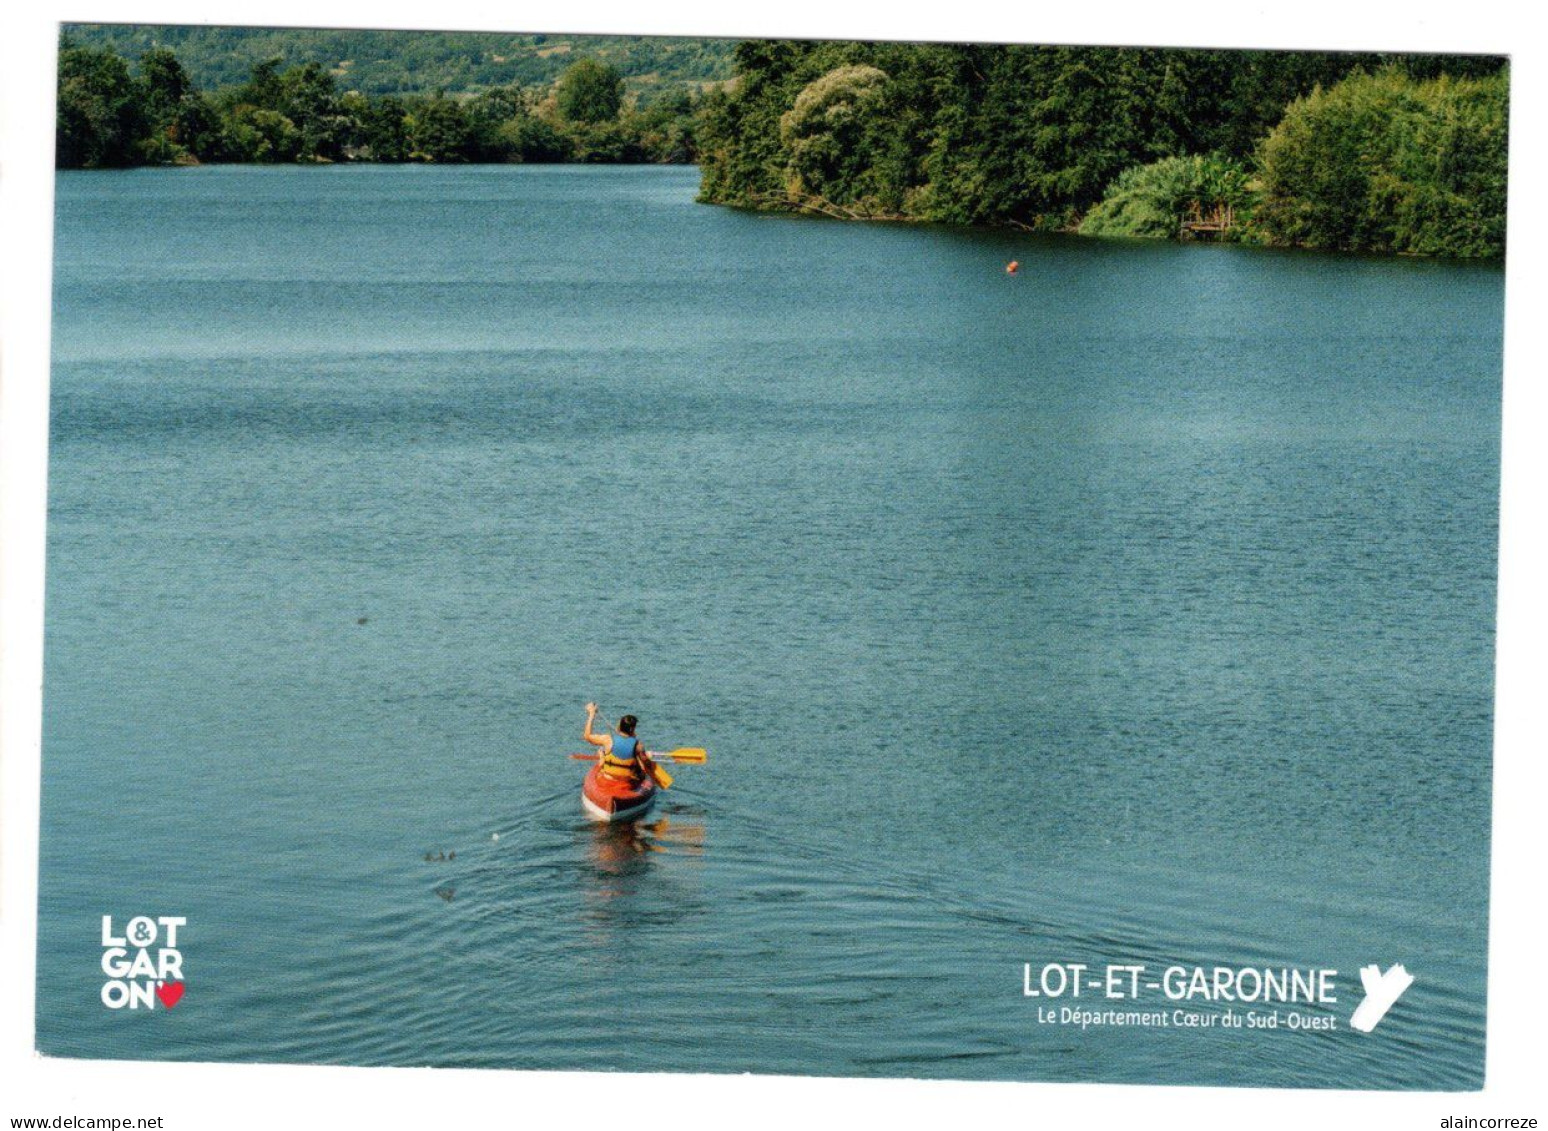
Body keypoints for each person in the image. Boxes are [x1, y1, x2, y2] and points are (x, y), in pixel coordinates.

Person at [583, 702, 657, 783]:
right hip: (627, 781)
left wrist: (591, 714)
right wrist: (648, 757)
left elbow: (587, 736)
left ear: (619, 726)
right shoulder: (638, 746)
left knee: (602, 754)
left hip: (609, 778)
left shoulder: (607, 740)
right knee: (639, 763)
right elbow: (647, 765)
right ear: (633, 729)